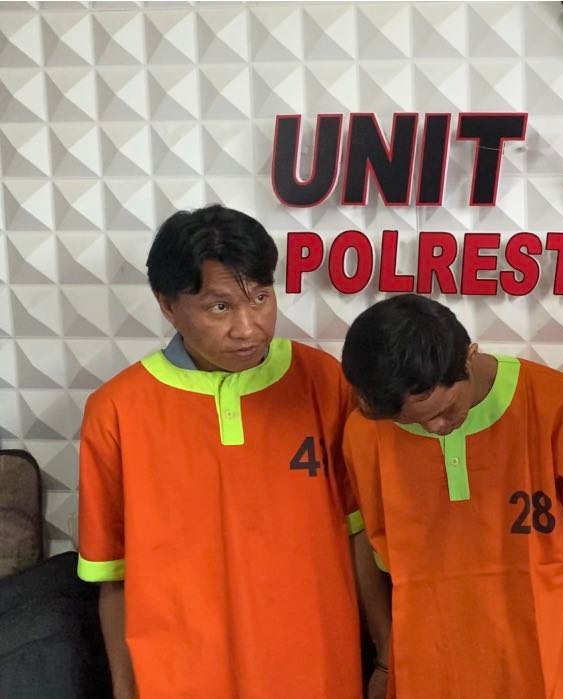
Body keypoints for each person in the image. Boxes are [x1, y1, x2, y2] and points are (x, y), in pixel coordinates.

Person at [76, 205, 389, 697]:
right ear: (167, 306)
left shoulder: (323, 381)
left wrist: (386, 657)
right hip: (179, 676)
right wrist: (124, 688)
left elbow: (359, 535)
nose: (249, 328)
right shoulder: (116, 410)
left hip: (314, 668)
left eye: (261, 298)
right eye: (219, 308)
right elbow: (111, 573)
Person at [339, 294, 563, 698]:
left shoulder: (560, 404)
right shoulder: (366, 433)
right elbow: (372, 552)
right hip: (429, 665)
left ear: (469, 357)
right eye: (415, 422)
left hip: (547, 660)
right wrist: (385, 657)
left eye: (445, 411)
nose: (437, 428)